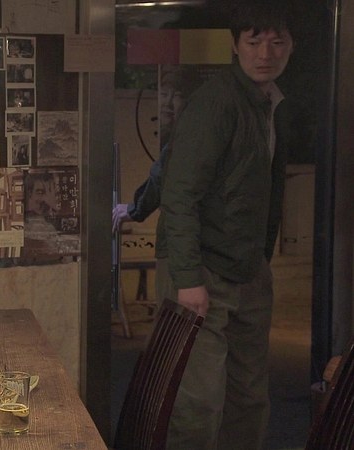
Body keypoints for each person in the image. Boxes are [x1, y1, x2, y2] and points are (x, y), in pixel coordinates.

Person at [155, 3, 295, 449]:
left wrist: (261, 258)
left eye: (276, 42)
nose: (265, 53)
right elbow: (179, 193)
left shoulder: (271, 103)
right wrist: (188, 278)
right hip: (202, 268)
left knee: (248, 396)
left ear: (291, 46)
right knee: (196, 402)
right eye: (254, 42)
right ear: (235, 46)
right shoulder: (217, 101)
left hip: (247, 267)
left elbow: (268, 188)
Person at [112, 65, 203, 232]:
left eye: (177, 96)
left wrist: (136, 208)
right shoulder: (182, 132)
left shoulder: (190, 135)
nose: (167, 103)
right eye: (163, 94)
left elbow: (162, 173)